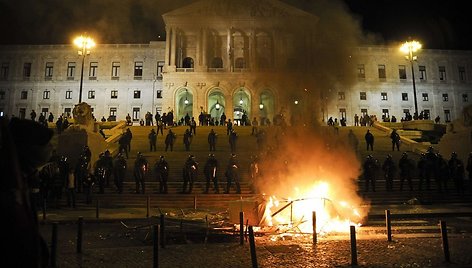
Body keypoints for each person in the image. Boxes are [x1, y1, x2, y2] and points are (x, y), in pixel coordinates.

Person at [2, 117, 54, 267]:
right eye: (45, 145)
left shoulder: (22, 180)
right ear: (29, 149)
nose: (50, 148)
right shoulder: (9, 187)